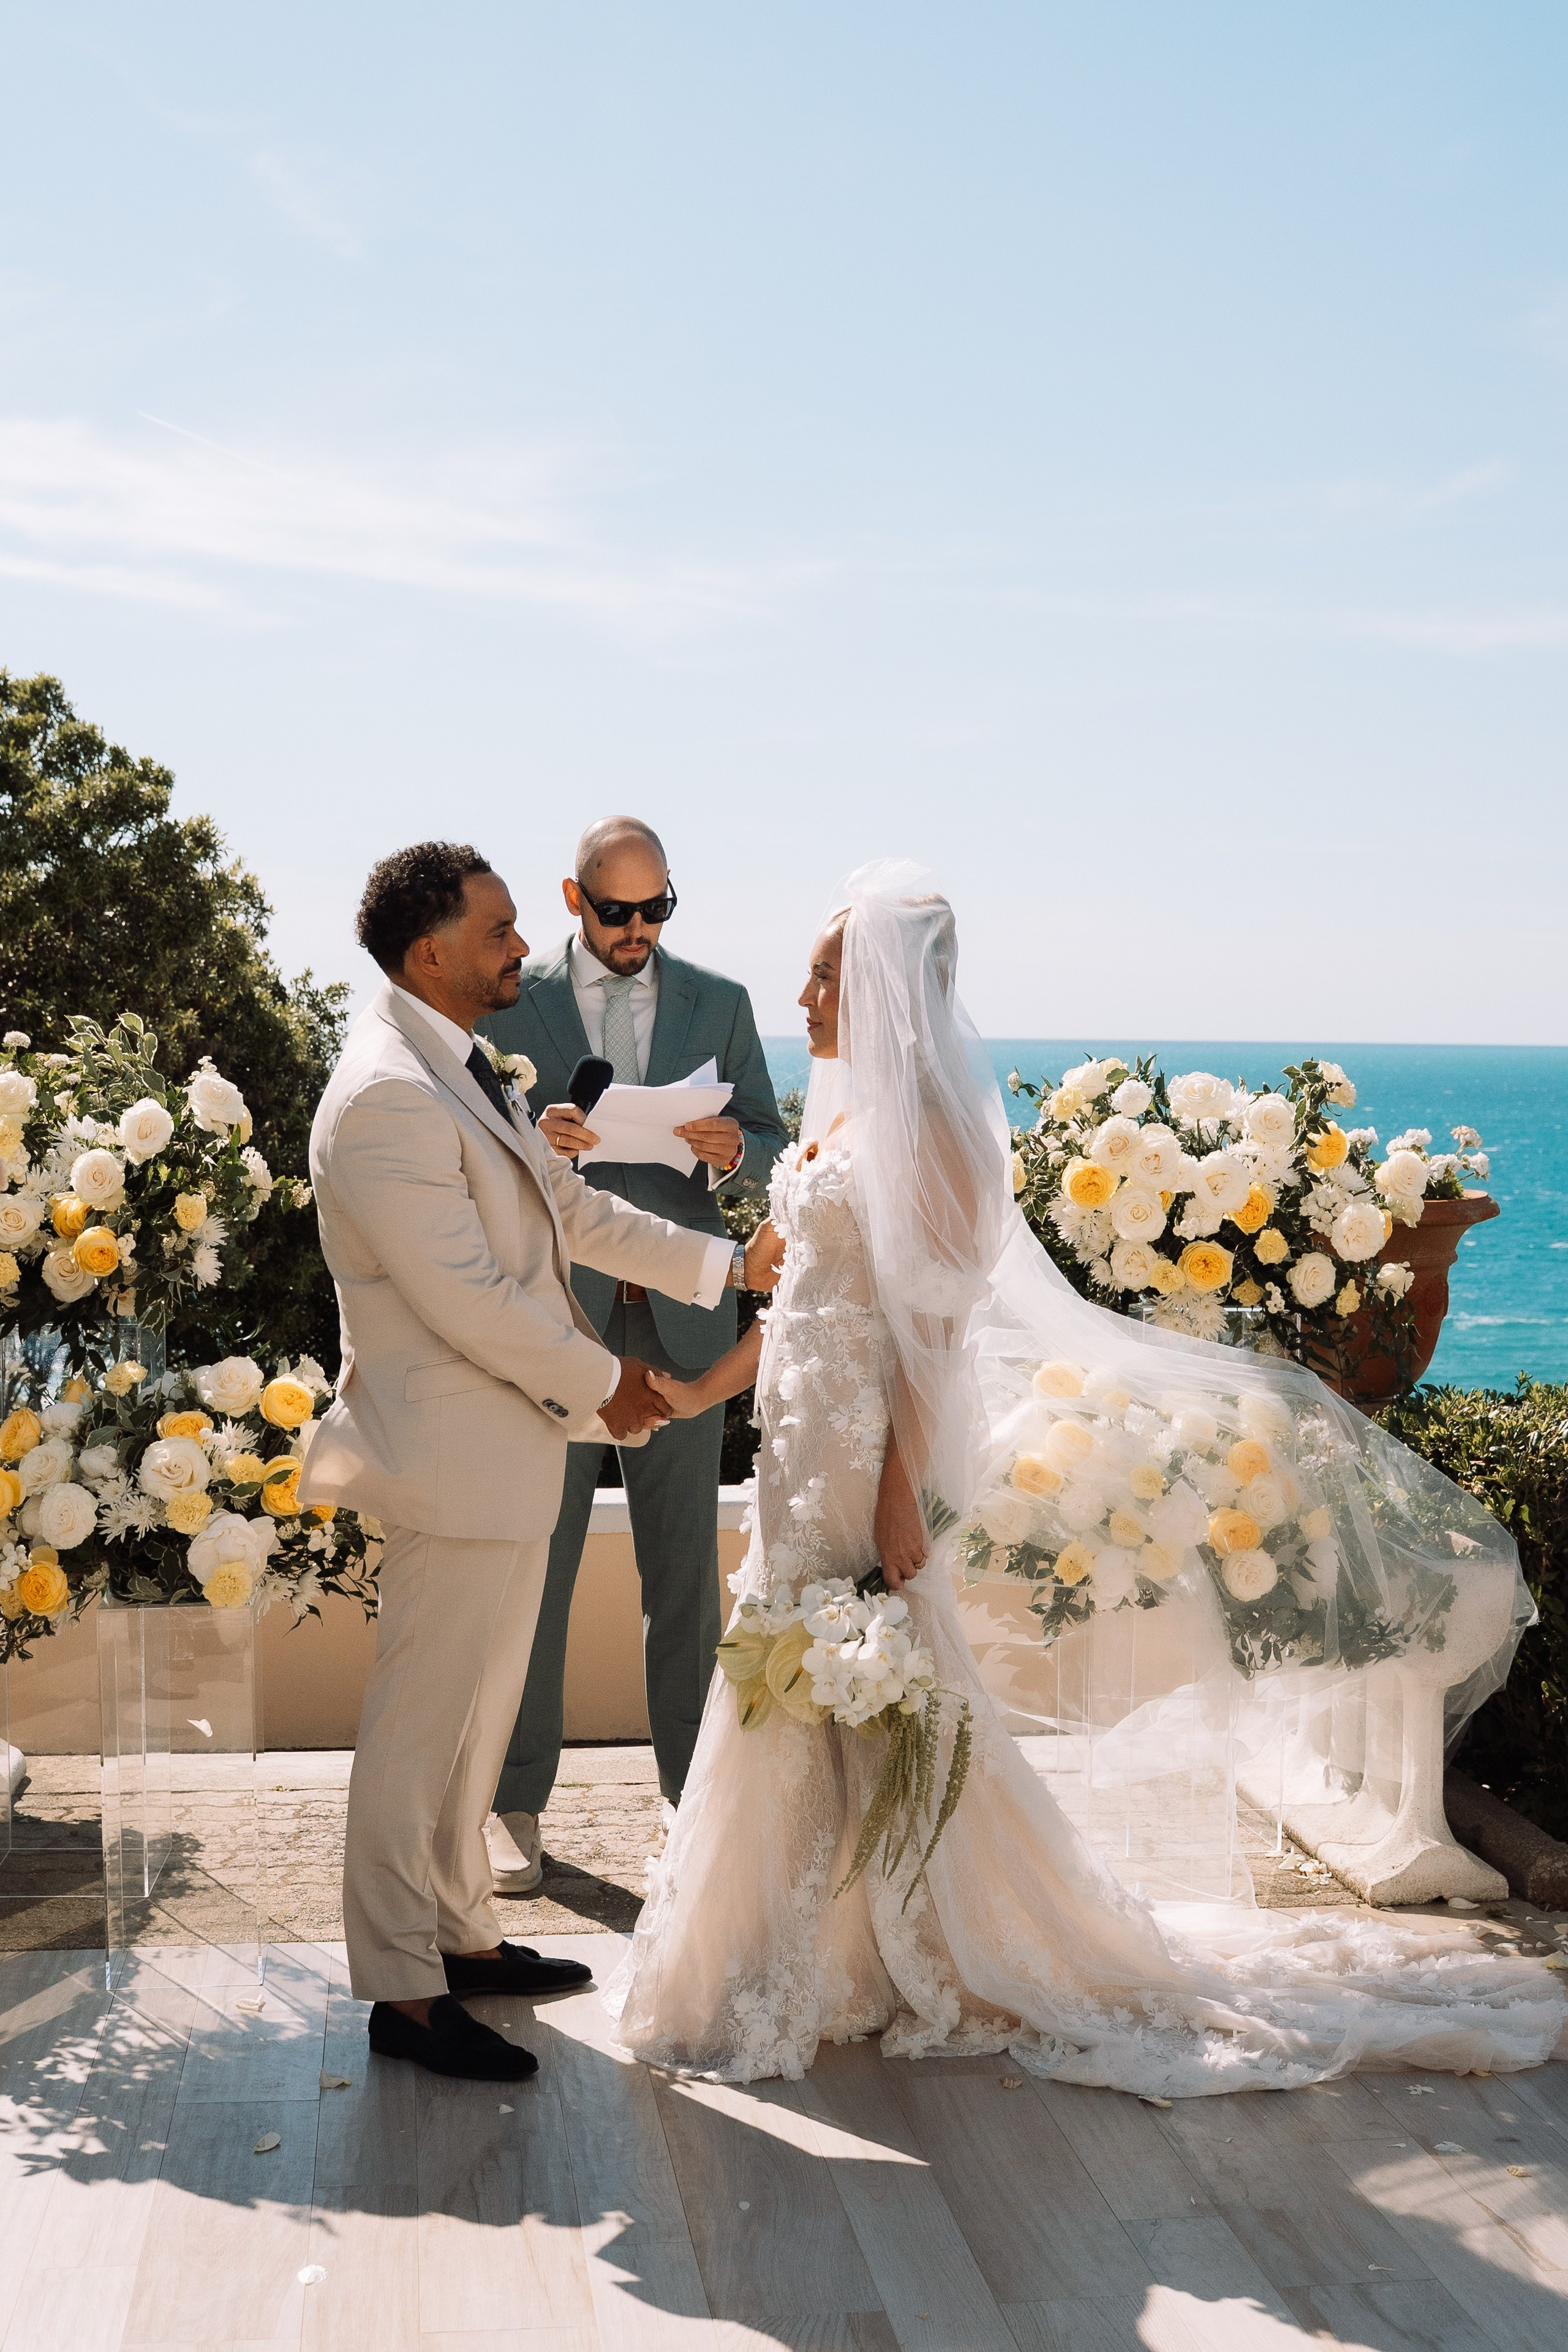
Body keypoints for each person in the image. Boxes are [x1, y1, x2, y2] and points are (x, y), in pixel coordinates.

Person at [606, 859, 1565, 2094]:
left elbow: (928, 1335)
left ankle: (908, 1947)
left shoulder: (941, 1140)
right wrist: (693, 1394)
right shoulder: (831, 1123)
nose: (799, 994)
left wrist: (899, 1491)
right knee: (784, 1682)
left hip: (862, 1462)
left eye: (825, 973)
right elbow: (797, 1306)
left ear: (888, 988)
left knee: (874, 1683)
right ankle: (781, 1951)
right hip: (795, 1444)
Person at [301, 841, 779, 2081]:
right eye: (502, 931)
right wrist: (606, 1384)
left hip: (504, 1449)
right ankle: (403, 1993)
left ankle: (462, 1936)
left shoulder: (450, 1066)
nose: (522, 949)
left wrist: (724, 1267)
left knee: (474, 1722)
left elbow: (567, 1213)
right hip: (451, 1457)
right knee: (419, 1732)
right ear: (431, 955)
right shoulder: (385, 1095)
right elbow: (470, 1300)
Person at [477, 816, 788, 1893]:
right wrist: (536, 1134)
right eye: (619, 912)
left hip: (687, 1324)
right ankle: (513, 1807)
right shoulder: (517, 1000)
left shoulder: (724, 1002)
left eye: (659, 909)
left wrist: (737, 1146)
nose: (640, 929)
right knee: (537, 1570)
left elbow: (776, 1142)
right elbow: (475, 1140)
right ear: (574, 901)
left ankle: (689, 1805)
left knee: (685, 1583)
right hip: (556, 1322)